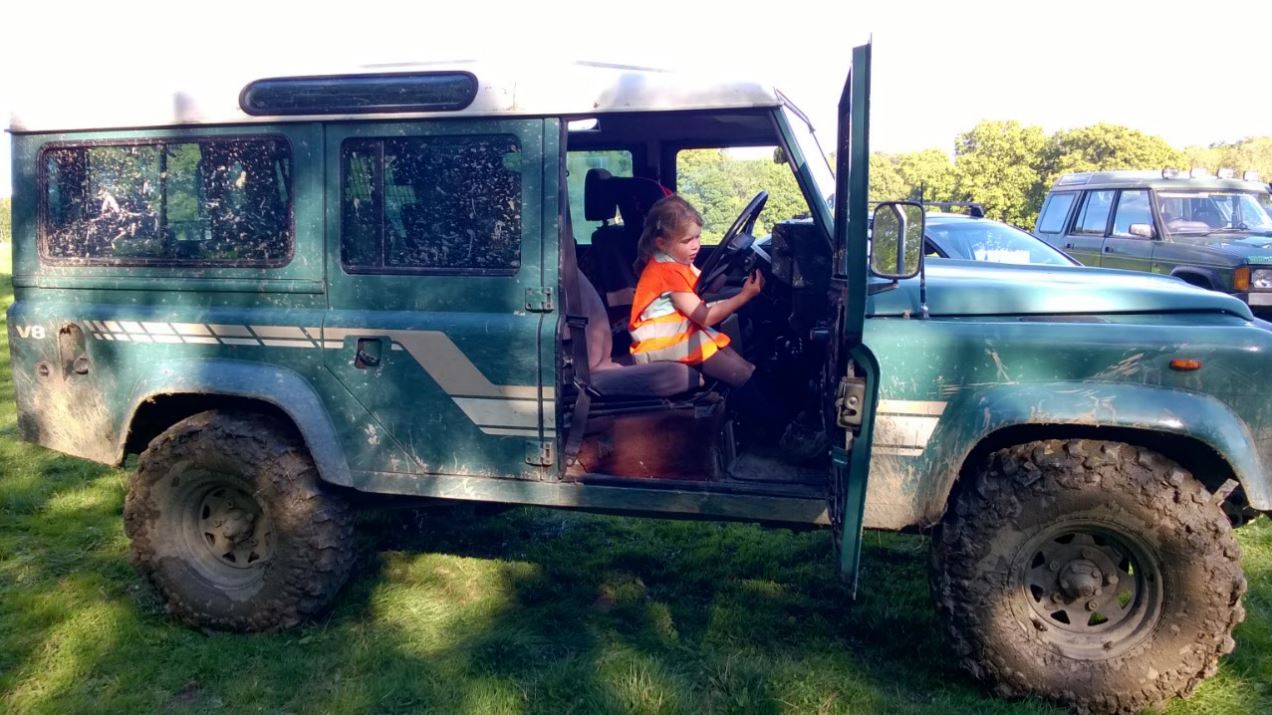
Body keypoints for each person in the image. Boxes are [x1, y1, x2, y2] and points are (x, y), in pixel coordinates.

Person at [628, 194, 763, 387]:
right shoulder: (667, 274)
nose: (695, 246)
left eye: (698, 237)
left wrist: (732, 264)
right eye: (687, 240)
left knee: (746, 367)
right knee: (741, 375)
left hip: (678, 334)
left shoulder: (675, 262)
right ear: (662, 243)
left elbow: (706, 287)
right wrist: (745, 296)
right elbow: (705, 317)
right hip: (662, 344)